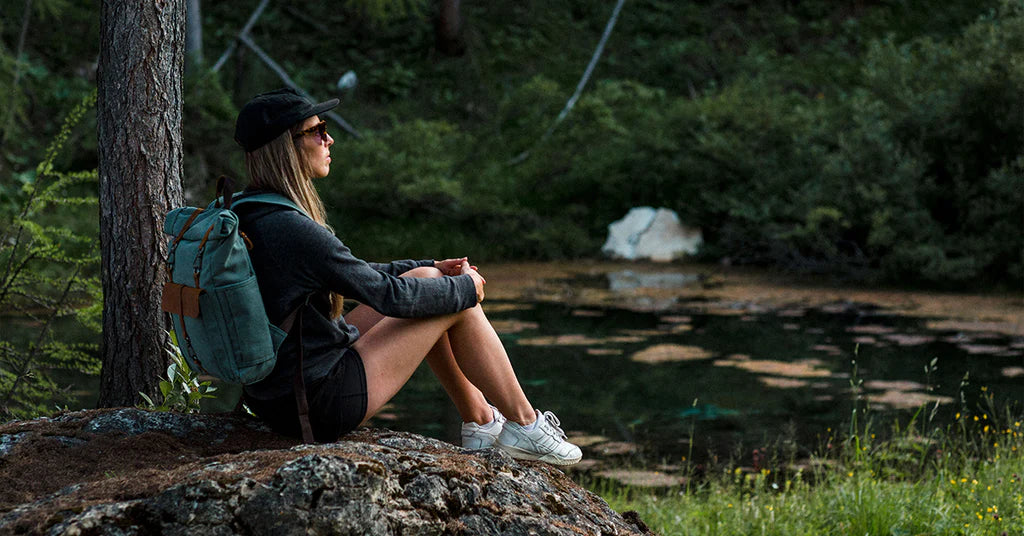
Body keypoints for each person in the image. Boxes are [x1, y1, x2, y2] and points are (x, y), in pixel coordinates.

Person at [230, 88, 582, 466]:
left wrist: (433, 265)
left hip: (279, 394)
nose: (329, 139)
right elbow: (388, 297)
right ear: (288, 145)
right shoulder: (291, 229)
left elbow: (354, 272)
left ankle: (481, 422)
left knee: (427, 278)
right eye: (318, 130)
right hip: (315, 404)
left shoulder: (250, 210)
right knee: (452, 301)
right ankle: (526, 425)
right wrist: (465, 287)